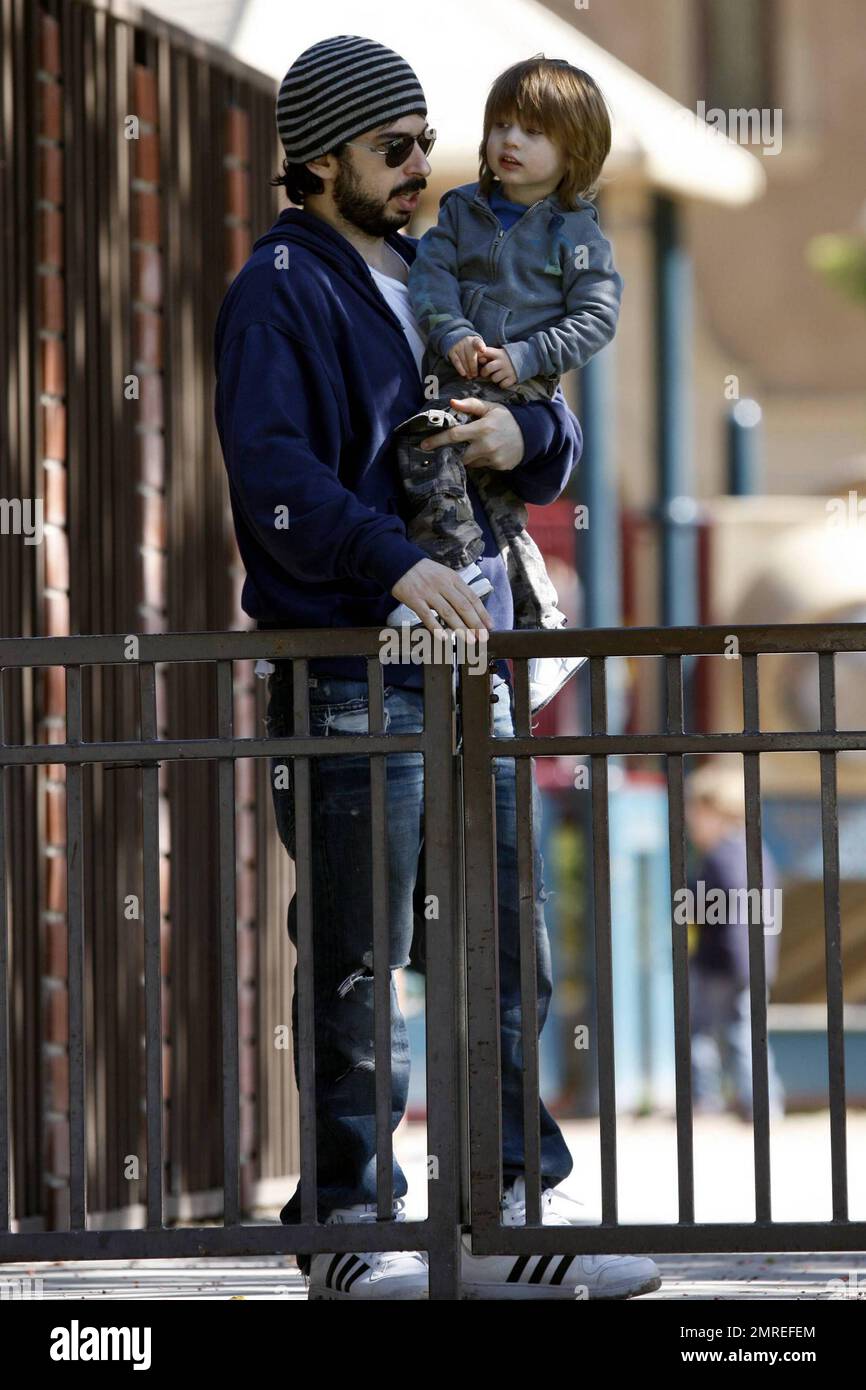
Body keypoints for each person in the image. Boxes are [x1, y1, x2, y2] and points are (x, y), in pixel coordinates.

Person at [214, 33, 660, 1301]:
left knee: (501, 951)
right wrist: (383, 561)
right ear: (315, 160)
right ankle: (349, 1230)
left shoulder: (435, 268)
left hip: (471, 677)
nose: (423, 166)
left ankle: (507, 1213)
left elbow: (544, 408)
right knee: (359, 961)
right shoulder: (279, 290)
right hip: (356, 673)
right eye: (391, 148)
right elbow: (272, 472)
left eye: (426, 142)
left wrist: (527, 429)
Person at [388, 55, 623, 716]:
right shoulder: (460, 210)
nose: (509, 142)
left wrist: (524, 356)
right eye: (501, 126)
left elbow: (597, 317)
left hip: (523, 393)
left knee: (496, 499)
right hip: (452, 378)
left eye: (533, 132)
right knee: (433, 460)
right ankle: (473, 598)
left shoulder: (577, 233)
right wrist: (452, 329)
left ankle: (512, 623)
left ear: (574, 151)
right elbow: (430, 278)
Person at [685, 763, 786, 1121]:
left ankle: (706, 1100)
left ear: (716, 812)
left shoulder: (720, 856)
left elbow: (707, 906)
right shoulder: (756, 851)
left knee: (703, 1034)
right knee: (746, 1031)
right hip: (753, 961)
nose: (691, 821)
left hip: (721, 961)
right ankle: (763, 1101)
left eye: (696, 812)